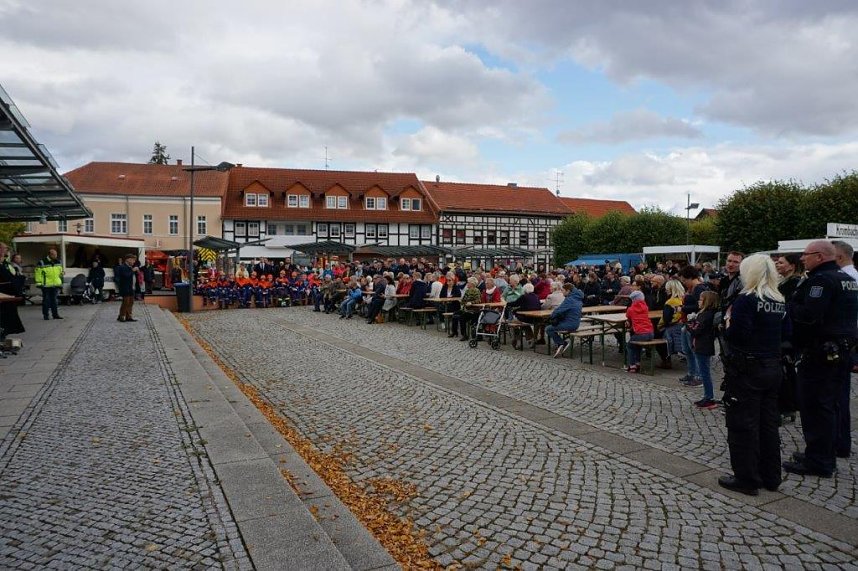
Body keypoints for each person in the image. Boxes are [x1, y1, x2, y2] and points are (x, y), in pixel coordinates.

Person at [784, 241, 857, 477]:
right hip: (840, 350)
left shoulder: (821, 281)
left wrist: (790, 305)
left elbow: (808, 316)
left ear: (819, 256)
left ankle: (819, 460)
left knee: (815, 406)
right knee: (831, 403)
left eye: (806, 255)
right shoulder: (847, 279)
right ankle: (825, 450)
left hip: (820, 353)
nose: (802, 258)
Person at [719, 254, 789, 496]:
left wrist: (728, 323)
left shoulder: (746, 300)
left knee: (743, 424)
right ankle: (771, 476)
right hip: (772, 366)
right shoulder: (778, 299)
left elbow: (737, 335)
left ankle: (747, 478)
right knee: (768, 424)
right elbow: (786, 333)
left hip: (747, 369)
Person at [775, 253, 803, 424]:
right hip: (785, 332)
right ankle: (788, 405)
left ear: (791, 266)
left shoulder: (793, 283)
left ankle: (786, 405)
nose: (777, 265)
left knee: (785, 372)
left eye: (780, 262)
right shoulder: (785, 282)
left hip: (787, 334)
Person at [686, 291, 719, 407]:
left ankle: (709, 397)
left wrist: (689, 326)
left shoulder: (705, 315)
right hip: (703, 345)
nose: (698, 301)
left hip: (703, 345)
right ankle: (707, 396)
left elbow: (697, 331)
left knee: (705, 372)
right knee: (705, 371)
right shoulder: (707, 314)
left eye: (701, 299)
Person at [548, 284, 584, 358]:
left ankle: (562, 343)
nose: (562, 292)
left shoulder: (569, 299)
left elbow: (559, 310)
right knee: (554, 325)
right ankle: (560, 344)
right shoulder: (577, 298)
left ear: (568, 291)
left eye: (563, 290)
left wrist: (552, 316)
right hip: (576, 323)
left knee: (548, 329)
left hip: (569, 324)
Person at [624, 290, 654, 373]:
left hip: (640, 333)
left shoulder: (630, 309)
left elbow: (628, 318)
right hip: (650, 333)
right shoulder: (646, 307)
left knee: (630, 345)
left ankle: (632, 365)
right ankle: (638, 363)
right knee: (637, 345)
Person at [0, 242, 25, 335]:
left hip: (9, 293)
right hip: (3, 292)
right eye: (5, 248)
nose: (6, 250)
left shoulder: (6, 263)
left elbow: (11, 275)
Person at [35, 247, 64, 321]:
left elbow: (61, 271)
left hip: (55, 284)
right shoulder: (42, 262)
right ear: (49, 255)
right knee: (46, 300)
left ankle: (55, 315)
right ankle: (46, 315)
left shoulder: (58, 262)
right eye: (54, 255)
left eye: (56, 254)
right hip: (46, 285)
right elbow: (38, 273)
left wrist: (62, 275)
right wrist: (39, 283)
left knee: (54, 300)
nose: (55, 256)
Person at [115, 253, 138, 322]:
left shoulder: (130, 267)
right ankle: (122, 316)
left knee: (131, 302)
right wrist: (133, 270)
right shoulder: (122, 267)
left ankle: (129, 316)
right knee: (125, 302)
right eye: (133, 260)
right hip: (125, 287)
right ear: (128, 260)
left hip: (131, 287)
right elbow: (126, 276)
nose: (134, 262)